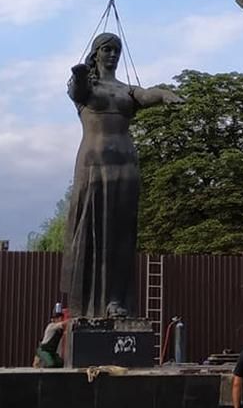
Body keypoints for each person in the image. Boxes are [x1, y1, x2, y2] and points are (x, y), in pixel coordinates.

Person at [66, 32, 184, 320]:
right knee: (95, 234)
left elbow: (146, 95)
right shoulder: (87, 88)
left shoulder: (127, 90)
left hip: (126, 166)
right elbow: (78, 91)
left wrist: (165, 94)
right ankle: (87, 303)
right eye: (106, 49)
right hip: (94, 165)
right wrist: (80, 74)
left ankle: (116, 300)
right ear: (96, 53)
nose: (112, 54)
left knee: (121, 237)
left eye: (116, 49)